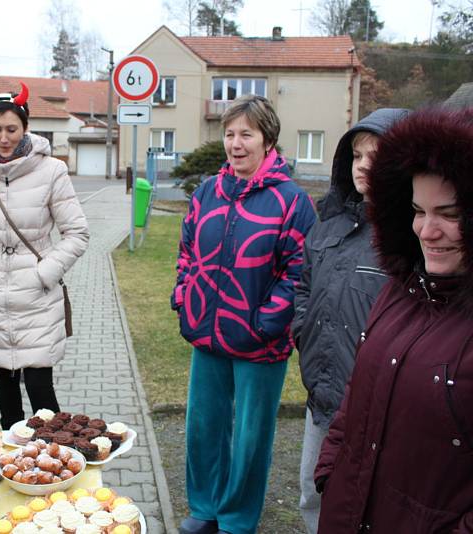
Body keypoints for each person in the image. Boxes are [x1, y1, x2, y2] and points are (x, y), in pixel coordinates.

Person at [315, 108, 473, 532]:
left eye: (451, 214)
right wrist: (330, 471)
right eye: (418, 211)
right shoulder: (400, 290)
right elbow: (357, 394)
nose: (427, 230)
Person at [171, 95, 316, 534]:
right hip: (207, 335)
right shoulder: (206, 193)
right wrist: (184, 297)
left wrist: (265, 323)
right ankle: (205, 508)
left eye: (246, 134)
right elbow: (186, 252)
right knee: (204, 427)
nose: (236, 143)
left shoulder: (292, 201)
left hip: (260, 342)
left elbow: (299, 272)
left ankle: (236, 518)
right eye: (230, 134)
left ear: (267, 140)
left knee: (250, 438)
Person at [291, 108, 409, 534]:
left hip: (380, 409)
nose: (363, 166)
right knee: (312, 492)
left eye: (376, 155)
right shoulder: (331, 224)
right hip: (323, 398)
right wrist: (302, 331)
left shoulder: (411, 236)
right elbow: (303, 285)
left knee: (368, 508)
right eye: (357, 155)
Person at [0, 82, 89, 430]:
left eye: (12, 129)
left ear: (25, 128)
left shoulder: (51, 170)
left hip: (37, 295)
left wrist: (45, 272)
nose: (4, 137)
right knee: (6, 396)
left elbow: (77, 233)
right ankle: (14, 470)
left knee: (43, 398)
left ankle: (58, 463)